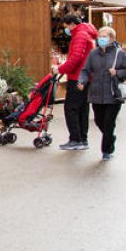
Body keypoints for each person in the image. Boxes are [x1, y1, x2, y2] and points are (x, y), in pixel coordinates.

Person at [77, 26, 126, 161]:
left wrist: (118, 73)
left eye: (104, 36)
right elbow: (85, 70)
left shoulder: (119, 53)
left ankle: (106, 150)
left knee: (109, 122)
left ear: (112, 38)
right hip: (96, 93)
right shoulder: (93, 53)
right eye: (100, 36)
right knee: (98, 121)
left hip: (113, 95)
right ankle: (110, 137)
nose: (101, 39)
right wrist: (82, 81)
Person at [55, 13, 98, 151]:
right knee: (83, 109)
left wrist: (60, 69)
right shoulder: (88, 33)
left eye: (66, 26)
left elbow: (76, 58)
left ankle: (75, 139)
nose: (66, 30)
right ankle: (82, 139)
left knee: (71, 108)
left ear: (72, 24)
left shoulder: (79, 35)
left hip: (77, 77)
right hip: (86, 76)